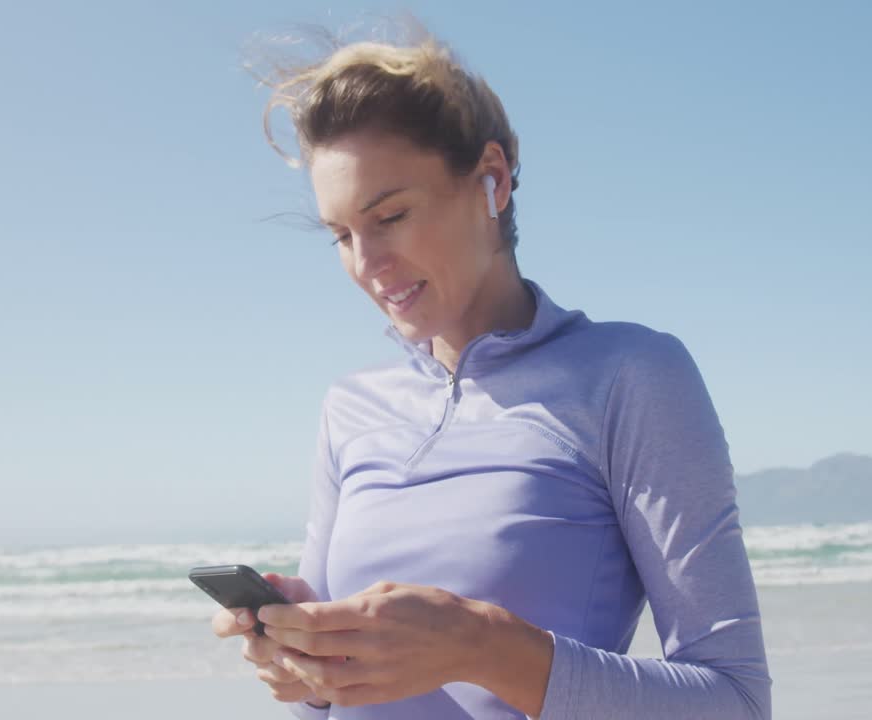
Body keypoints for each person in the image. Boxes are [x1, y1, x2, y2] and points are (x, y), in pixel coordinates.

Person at [211, 17, 772, 719]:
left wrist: (482, 647)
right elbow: (319, 709)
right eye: (342, 235)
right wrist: (301, 659)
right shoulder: (351, 407)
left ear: (492, 180)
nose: (366, 263)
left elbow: (735, 701)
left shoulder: (629, 377)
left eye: (390, 216)